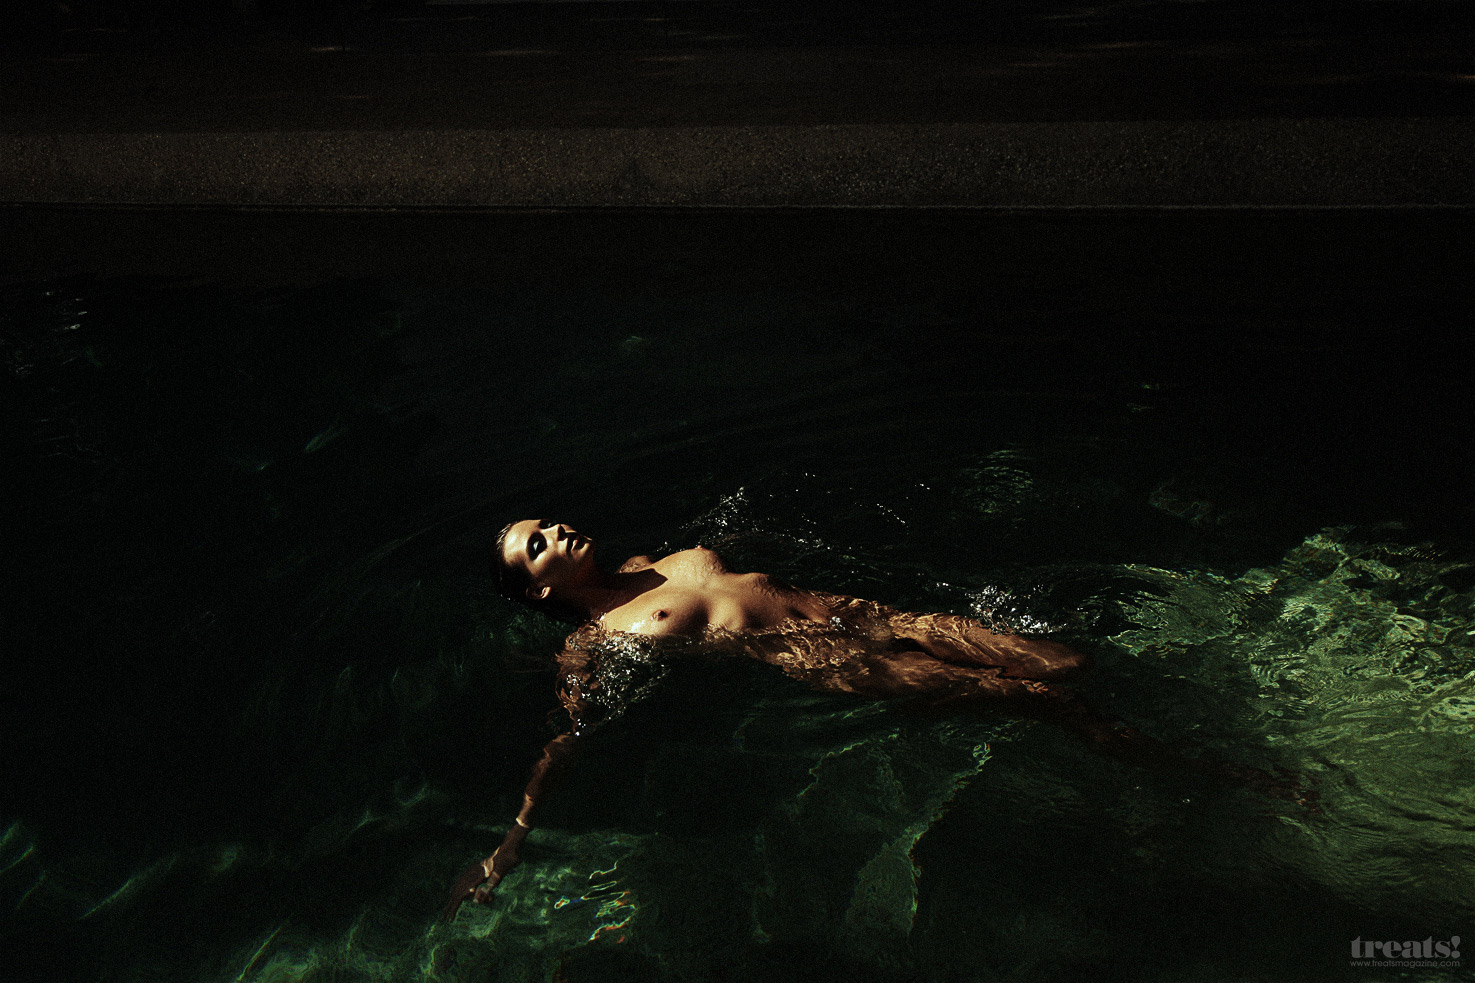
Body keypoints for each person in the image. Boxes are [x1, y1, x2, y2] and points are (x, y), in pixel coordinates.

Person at [441, 517, 1291, 920]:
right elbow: (569, 736)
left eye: (545, 524)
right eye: (536, 547)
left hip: (871, 614)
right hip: (829, 660)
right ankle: (1208, 769)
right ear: (538, 591)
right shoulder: (595, 643)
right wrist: (513, 835)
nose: (554, 531)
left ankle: (1199, 711)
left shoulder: (645, 561)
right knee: (1040, 700)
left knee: (1065, 660)